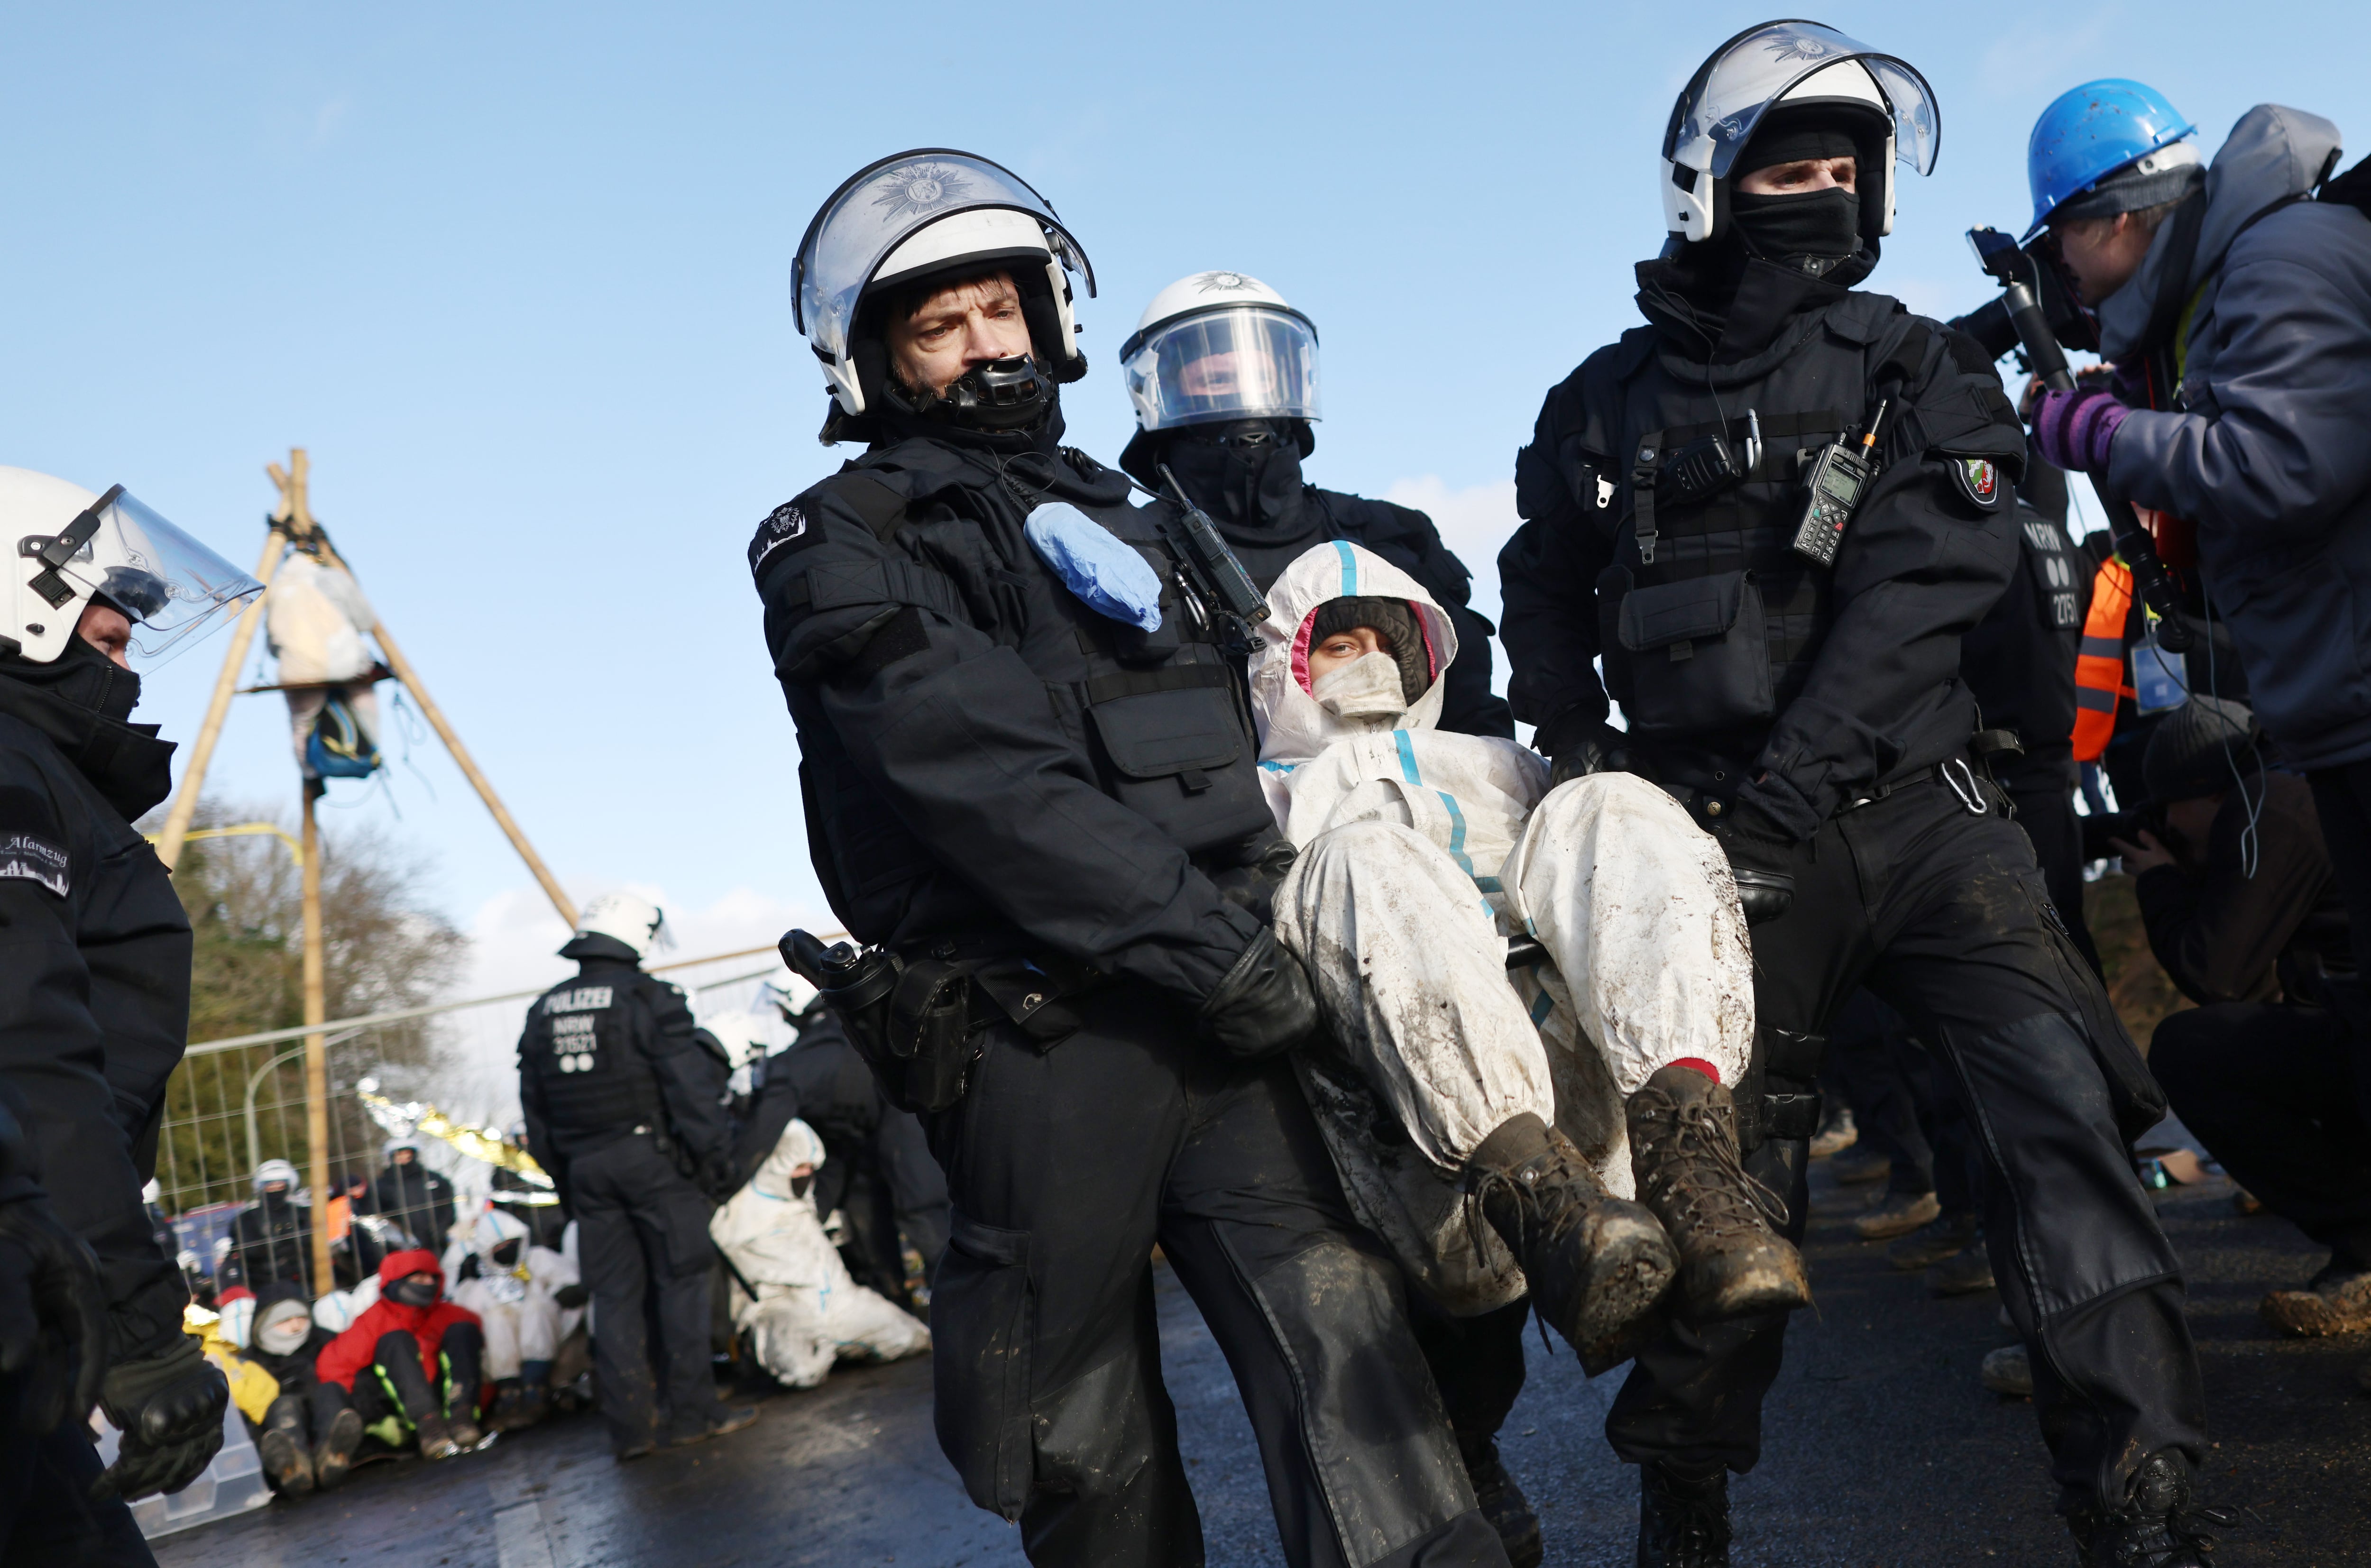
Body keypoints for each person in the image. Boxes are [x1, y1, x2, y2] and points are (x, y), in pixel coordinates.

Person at [1496, 25, 2222, 1564]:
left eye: (1845, 167)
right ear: (1711, 185)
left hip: (1919, 820)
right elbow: (1538, 576)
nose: (1820, 191)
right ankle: (1682, 1498)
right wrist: (1579, 746)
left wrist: (1780, 811)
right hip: (1701, 848)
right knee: (1722, 1185)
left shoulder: (1922, 368)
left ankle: (2143, 1503)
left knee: (2057, 1132)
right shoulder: (1599, 406)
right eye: (1787, 165)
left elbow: (1914, 604)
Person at [761, 149, 1503, 1566]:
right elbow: (982, 781)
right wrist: (1212, 949)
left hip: (1236, 1003)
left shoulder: (1146, 523)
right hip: (1042, 1040)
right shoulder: (835, 544)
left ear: (1050, 317)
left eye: (1003, 311)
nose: (986, 346)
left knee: (1361, 1385)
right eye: (939, 325)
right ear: (867, 360)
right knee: (1083, 1456)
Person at [2019, 84, 2371, 978]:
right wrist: (2135, 405)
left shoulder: (2277, 260)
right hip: (2339, 716)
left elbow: (2284, 464)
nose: (2057, 264)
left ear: (2109, 221)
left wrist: (2102, 433)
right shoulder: (2215, 295)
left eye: (2056, 238)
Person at [0, 466, 265, 1540]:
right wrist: (142, 1321)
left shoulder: (41, 770)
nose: (129, 672)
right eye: (107, 646)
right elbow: (29, 1051)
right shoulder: (14, 773)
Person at [1119, 271, 1513, 737]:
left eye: (1258, 375)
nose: (1241, 394)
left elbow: (1468, 709)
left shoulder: (1389, 536)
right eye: (1216, 378)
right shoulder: (1128, 551)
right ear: (1165, 393)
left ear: (1293, 381)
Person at [2111, 700, 2370, 1343]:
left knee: (2188, 1049)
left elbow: (2215, 976)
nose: (2167, 824)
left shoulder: (2266, 811)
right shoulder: (2291, 793)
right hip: (2351, 1022)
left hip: (2358, 1031)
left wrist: (2162, 884)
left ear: (2211, 789)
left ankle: (2364, 1238)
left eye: (2170, 806)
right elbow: (2250, 989)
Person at [516, 891, 755, 1460]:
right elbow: (689, 1093)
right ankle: (694, 1414)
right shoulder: (649, 999)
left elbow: (535, 1111)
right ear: (638, 934)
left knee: (614, 1297)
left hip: (585, 1170)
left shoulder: (543, 1009)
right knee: (681, 1281)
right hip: (653, 1164)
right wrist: (714, 1161)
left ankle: (632, 1429)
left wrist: (566, 1177)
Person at [743, 993, 949, 1312]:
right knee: (866, 1204)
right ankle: (892, 1301)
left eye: (784, 1008)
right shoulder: (830, 1037)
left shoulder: (795, 1063)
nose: (782, 1016)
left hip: (896, 1116)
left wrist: (731, 1171)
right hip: (867, 1131)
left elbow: (762, 1134)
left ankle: (957, 1295)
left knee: (921, 1205)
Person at [710, 1117, 932, 1388]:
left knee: (911, 1336)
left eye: (809, 1169)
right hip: (783, 1309)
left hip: (839, 1300)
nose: (805, 1175)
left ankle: (840, 1344)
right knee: (802, 1370)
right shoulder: (740, 1209)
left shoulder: (805, 1198)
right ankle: (814, 1350)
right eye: (798, 1168)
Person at [315, 1249, 486, 1461]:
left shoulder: (450, 1315)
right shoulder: (373, 1321)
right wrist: (368, 1415)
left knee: (464, 1330)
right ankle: (429, 1426)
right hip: (402, 1416)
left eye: (433, 1277)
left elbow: (482, 1359)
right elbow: (334, 1366)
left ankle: (463, 1416)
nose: (428, 1283)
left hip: (453, 1404)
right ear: (397, 1281)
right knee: (395, 1341)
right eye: (419, 1277)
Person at [440, 1206, 583, 1431]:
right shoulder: (477, 1284)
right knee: (496, 1318)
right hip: (502, 1356)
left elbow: (570, 1284)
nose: (507, 1250)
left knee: (536, 1306)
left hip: (553, 1341)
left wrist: (561, 1293)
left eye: (511, 1243)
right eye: (499, 1247)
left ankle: (536, 1388)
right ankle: (510, 1396)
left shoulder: (537, 1259)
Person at [230, 1280, 359, 1497]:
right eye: (285, 1321)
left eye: (301, 1318)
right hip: (282, 1426)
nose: (296, 1326)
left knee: (329, 1390)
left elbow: (354, 1376)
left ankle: (332, 1455)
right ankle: (292, 1467)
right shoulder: (250, 1361)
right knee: (284, 1405)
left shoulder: (325, 1340)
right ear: (264, 1325)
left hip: (326, 1418)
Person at [225, 1159, 314, 1294]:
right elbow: (249, 1251)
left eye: (280, 1185)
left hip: (303, 1283)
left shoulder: (304, 1213)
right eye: (270, 1186)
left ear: (290, 1185)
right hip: (262, 1287)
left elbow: (311, 1244)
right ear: (260, 1188)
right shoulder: (246, 1219)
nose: (275, 1190)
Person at [367, 1137, 455, 1256]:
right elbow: (376, 1216)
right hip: (401, 1250)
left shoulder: (434, 1179)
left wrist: (441, 1229)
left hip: (438, 1244)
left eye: (407, 1154)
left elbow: (448, 1205)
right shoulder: (382, 1185)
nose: (404, 1158)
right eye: (399, 1154)